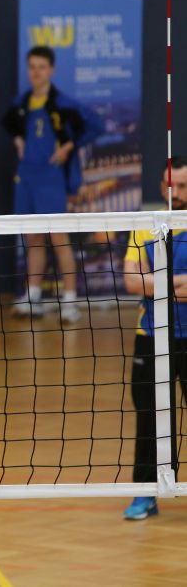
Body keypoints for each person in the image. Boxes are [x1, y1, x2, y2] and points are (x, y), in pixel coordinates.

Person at [2, 46, 101, 322]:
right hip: (26, 176)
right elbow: (9, 125)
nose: (36, 72)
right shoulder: (21, 103)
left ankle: (69, 300)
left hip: (51, 177)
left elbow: (96, 126)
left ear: (51, 70)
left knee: (59, 237)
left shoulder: (64, 104)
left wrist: (69, 145)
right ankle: (32, 296)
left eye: (42, 67)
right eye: (32, 67)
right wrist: (18, 140)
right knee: (33, 238)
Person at [121, 157, 187, 520]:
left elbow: (146, 281)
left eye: (183, 185)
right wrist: (177, 284)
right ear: (162, 186)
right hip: (152, 335)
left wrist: (156, 283)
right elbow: (132, 282)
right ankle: (146, 491)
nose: (175, 192)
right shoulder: (146, 225)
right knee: (150, 417)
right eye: (170, 184)